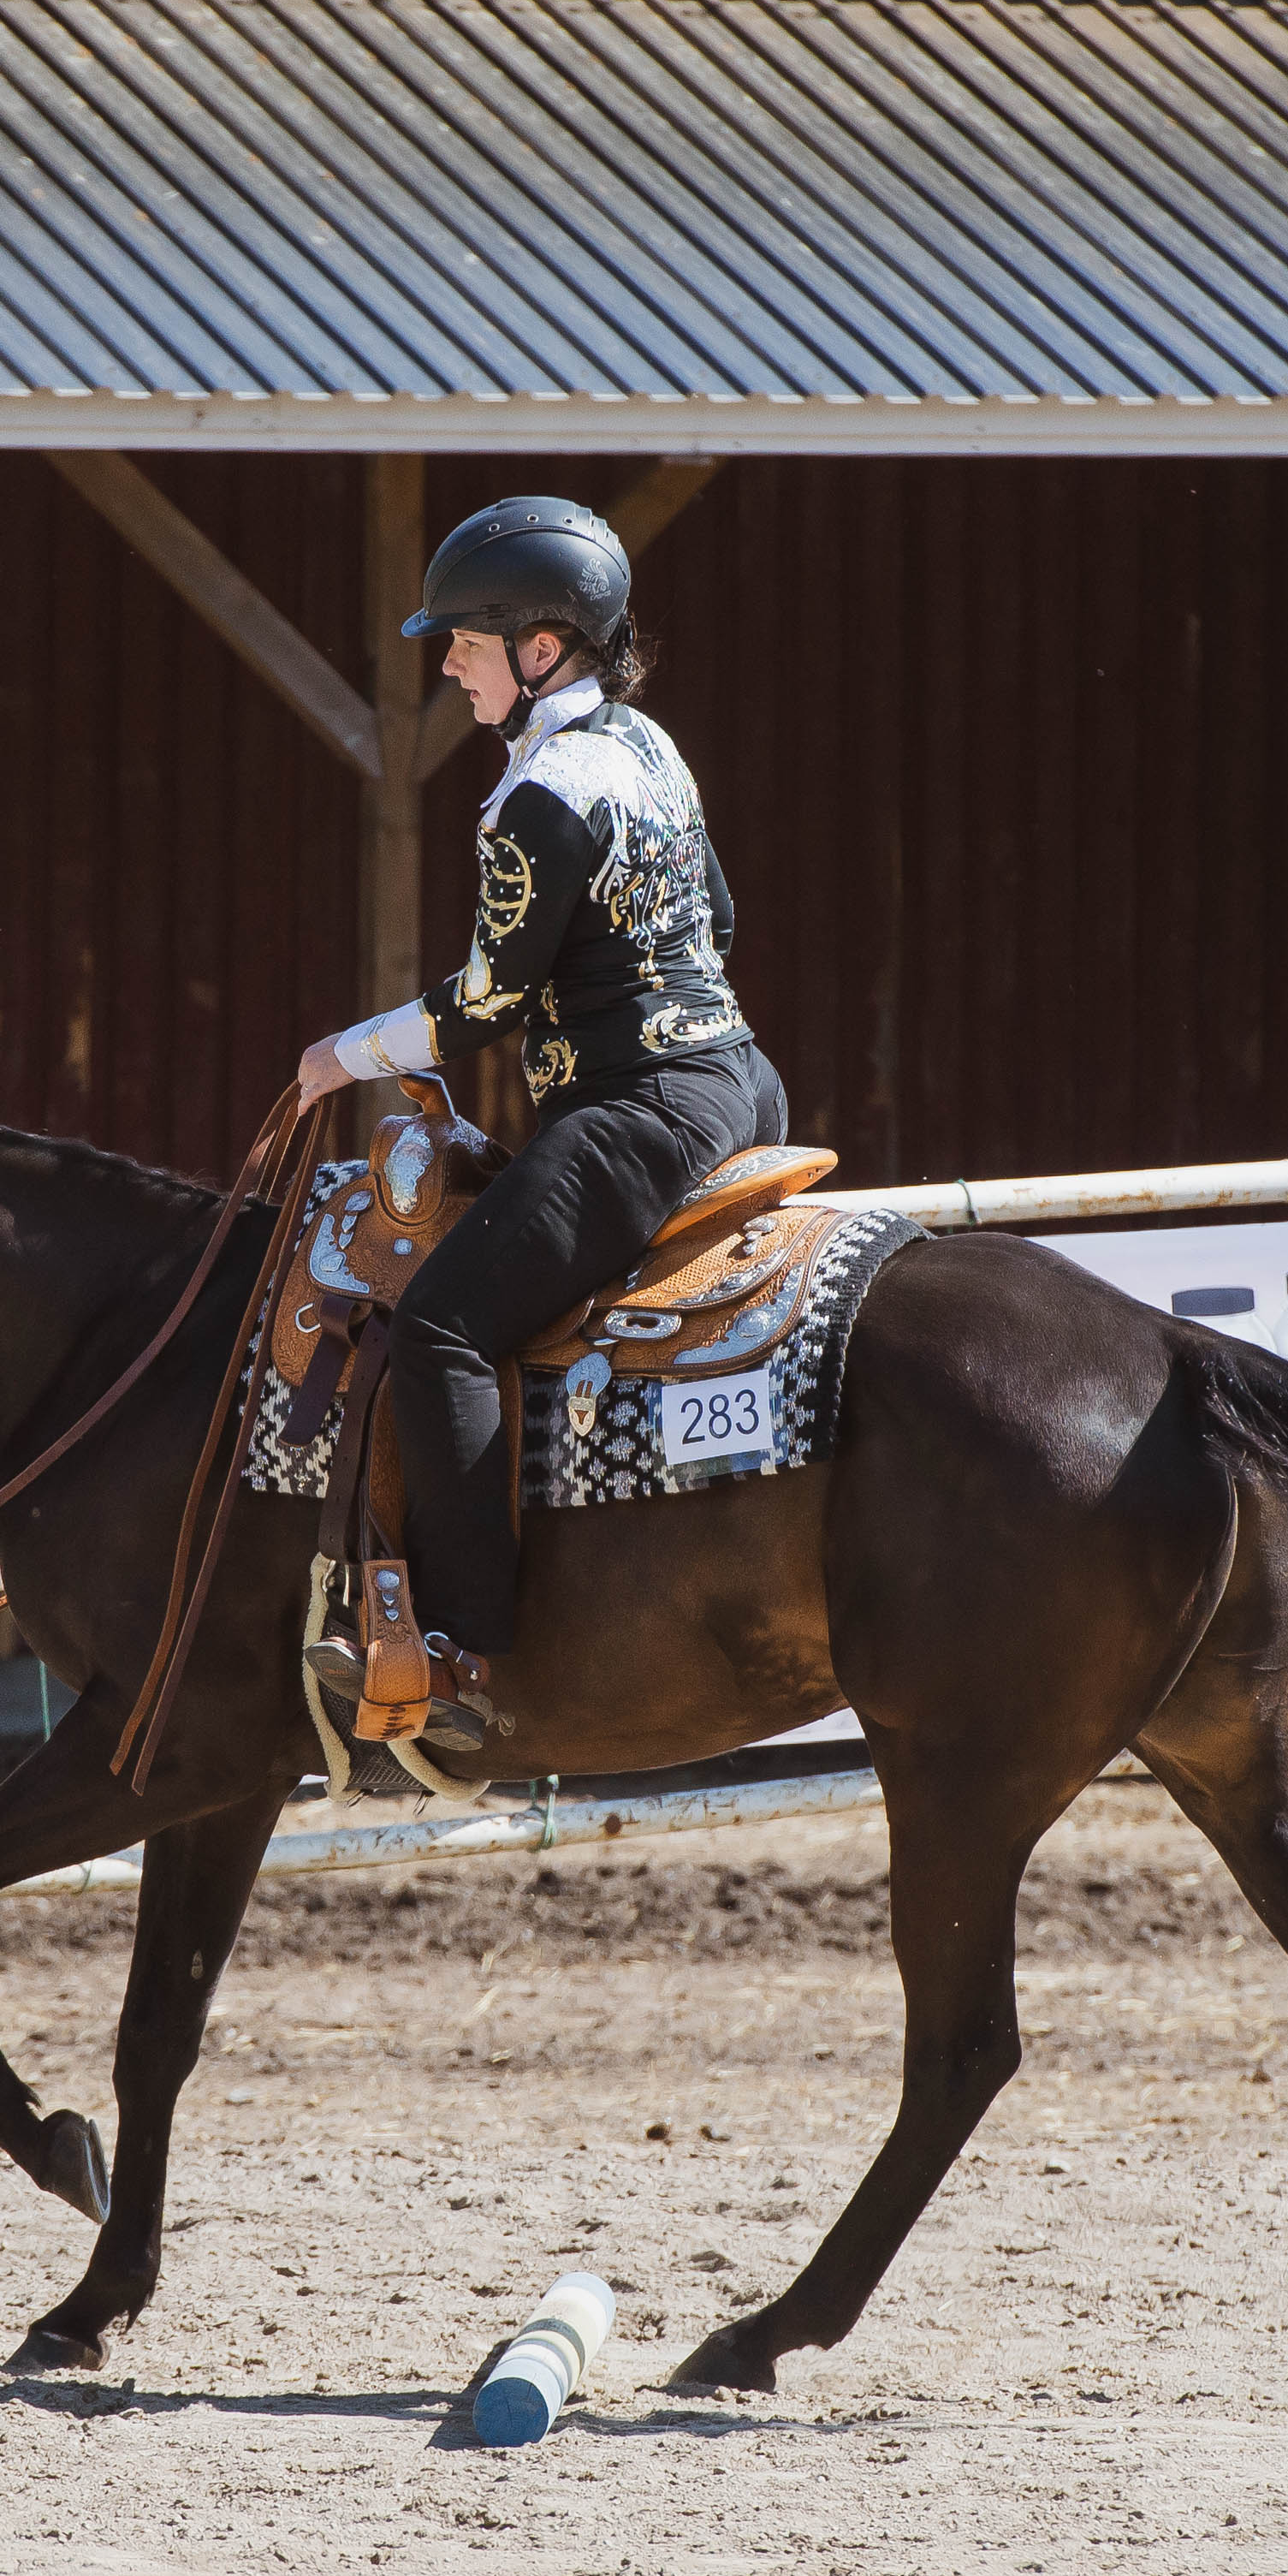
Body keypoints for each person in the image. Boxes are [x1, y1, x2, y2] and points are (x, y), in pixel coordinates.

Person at [289, 496, 788, 1751]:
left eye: (465, 641)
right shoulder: (650, 748)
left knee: (446, 1329)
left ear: (544, 648)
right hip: (741, 1081)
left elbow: (484, 1003)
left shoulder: (541, 797)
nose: (447, 662)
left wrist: (335, 1058)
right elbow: (718, 922)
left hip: (641, 1117)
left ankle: (456, 1659)